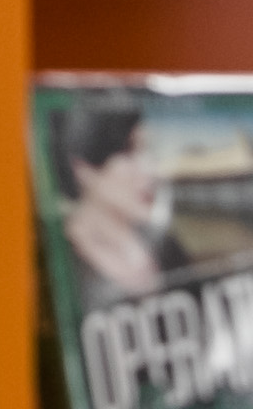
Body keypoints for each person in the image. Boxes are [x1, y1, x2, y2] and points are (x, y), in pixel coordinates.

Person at [57, 97, 170, 297]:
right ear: (83, 168)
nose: (151, 171)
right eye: (128, 152)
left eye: (148, 151)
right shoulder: (58, 266)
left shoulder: (165, 244)